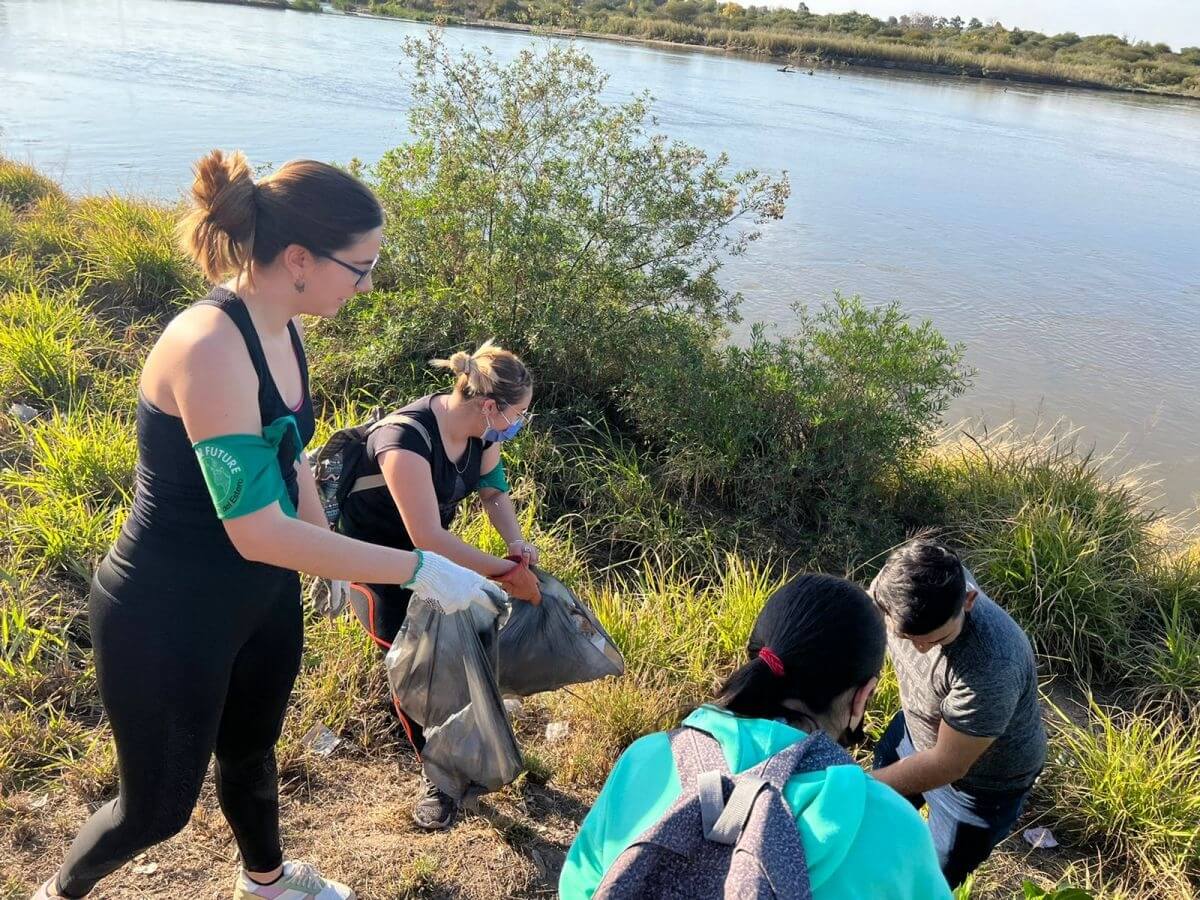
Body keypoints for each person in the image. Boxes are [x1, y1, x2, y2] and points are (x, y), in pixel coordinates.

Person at [32, 150, 500, 900]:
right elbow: (253, 527)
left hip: (260, 597)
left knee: (251, 754)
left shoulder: (284, 327)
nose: (370, 282)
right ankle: (58, 893)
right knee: (154, 810)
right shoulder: (211, 346)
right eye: (362, 265)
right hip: (169, 609)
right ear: (298, 259)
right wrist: (419, 567)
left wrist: (342, 569)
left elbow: (291, 466)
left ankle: (268, 884)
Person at [559, 574, 952, 900]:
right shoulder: (895, 832)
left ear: (759, 657)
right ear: (862, 698)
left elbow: (579, 887)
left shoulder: (648, 758)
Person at [336, 341, 541, 831]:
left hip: (429, 558)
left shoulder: (480, 435)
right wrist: (502, 573)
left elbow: (492, 492)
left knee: (458, 650)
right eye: (519, 414)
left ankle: (462, 736)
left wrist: (514, 543)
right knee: (414, 666)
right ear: (490, 406)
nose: (519, 424)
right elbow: (426, 536)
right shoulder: (404, 442)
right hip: (377, 562)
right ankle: (438, 776)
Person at [870, 539, 1047, 888]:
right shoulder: (895, 587)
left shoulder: (992, 664)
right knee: (877, 819)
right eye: (907, 636)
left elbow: (947, 765)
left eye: (936, 640)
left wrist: (857, 787)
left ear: (968, 600)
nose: (919, 648)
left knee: (927, 878)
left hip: (978, 786)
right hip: (915, 728)